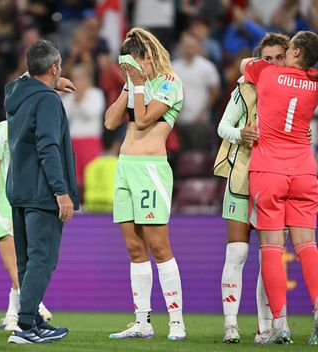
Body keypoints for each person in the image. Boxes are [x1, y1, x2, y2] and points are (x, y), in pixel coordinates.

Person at [242, 30, 318, 345]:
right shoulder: (317, 83)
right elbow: (315, 67)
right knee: (307, 246)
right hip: (303, 172)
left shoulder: (267, 73)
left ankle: (281, 324)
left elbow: (248, 62)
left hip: (269, 170)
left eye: (288, 49)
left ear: (297, 53)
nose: (283, 53)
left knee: (272, 249)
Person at [104, 27, 186, 341]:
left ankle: (176, 321)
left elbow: (143, 120)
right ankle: (142, 321)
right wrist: (129, 85)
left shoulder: (169, 82)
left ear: (146, 58)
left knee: (159, 246)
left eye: (132, 64)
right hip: (125, 167)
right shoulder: (134, 83)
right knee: (134, 248)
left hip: (151, 169)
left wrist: (138, 86)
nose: (129, 70)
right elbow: (111, 122)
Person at [216, 33, 290, 344]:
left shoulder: (292, 93)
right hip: (243, 178)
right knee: (237, 253)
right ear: (260, 60)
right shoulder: (245, 89)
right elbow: (223, 127)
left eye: (278, 58)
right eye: (268, 58)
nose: (273, 64)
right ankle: (230, 324)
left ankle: (265, 327)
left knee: (269, 258)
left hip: (275, 179)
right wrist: (240, 134)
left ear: (287, 59)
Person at [4, 39, 78, 344]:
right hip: (42, 191)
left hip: (18, 188)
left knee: (26, 261)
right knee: (42, 260)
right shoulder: (47, 100)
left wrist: (51, 81)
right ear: (53, 67)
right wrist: (61, 192)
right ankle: (24, 326)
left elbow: (21, 79)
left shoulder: (14, 93)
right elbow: (48, 146)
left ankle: (32, 318)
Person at [0, 120, 52, 331]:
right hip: (37, 201)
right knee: (26, 261)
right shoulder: (43, 125)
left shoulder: (3, 128)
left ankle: (36, 307)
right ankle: (12, 315)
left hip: (9, 203)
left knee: (15, 266)